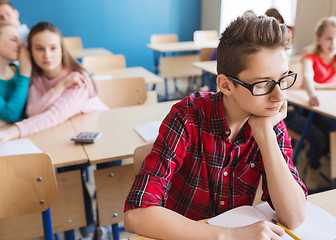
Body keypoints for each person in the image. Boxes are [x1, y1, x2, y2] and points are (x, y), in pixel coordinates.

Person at [124, 14, 307, 240]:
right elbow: (136, 215)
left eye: (283, 79)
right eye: (263, 84)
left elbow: (294, 217)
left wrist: (264, 134)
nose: (279, 96)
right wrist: (228, 236)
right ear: (225, 85)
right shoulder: (188, 117)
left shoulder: (270, 123)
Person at [0, 21, 108, 239]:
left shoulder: (78, 78)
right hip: (63, 138)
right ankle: (72, 228)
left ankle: (92, 230)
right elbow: (32, 109)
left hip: (97, 140)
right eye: (39, 48)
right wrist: (58, 87)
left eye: (53, 48)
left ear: (62, 49)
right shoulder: (37, 78)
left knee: (79, 176)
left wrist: (11, 131)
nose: (47, 54)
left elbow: (53, 115)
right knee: (65, 178)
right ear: (29, 51)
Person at [285, 16, 336, 190]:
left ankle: (313, 161)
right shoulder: (310, 57)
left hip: (324, 113)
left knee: (332, 133)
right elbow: (307, 77)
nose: (333, 42)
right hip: (300, 111)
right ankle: (312, 166)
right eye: (329, 38)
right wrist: (313, 91)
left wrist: (319, 86)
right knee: (320, 138)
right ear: (318, 39)